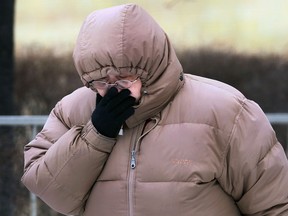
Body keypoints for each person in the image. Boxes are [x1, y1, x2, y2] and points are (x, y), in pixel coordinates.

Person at [22, 3, 288, 216]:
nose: (114, 92)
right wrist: (96, 134)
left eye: (125, 80)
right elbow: (50, 191)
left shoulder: (226, 112)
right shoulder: (73, 110)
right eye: (101, 82)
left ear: (153, 67)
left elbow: (275, 205)